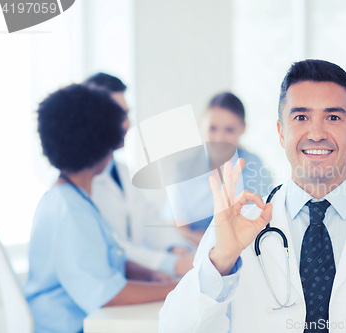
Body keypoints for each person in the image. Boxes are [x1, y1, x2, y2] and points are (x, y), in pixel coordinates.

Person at [158, 60, 346, 332]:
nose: (316, 133)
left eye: (333, 118)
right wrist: (220, 263)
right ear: (280, 132)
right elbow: (176, 328)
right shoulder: (231, 233)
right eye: (301, 117)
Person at [25, 85, 177, 333]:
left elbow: (105, 262)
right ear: (101, 144)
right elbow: (109, 294)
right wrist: (177, 288)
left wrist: (150, 275)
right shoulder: (71, 213)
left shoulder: (70, 200)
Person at [84, 73, 195, 276]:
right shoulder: (81, 184)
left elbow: (152, 221)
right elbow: (112, 249)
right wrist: (172, 263)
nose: (126, 124)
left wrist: (176, 247)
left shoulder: (124, 173)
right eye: (118, 115)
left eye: (126, 114)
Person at [162, 92, 273, 245]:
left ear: (243, 128)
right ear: (201, 124)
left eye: (229, 130)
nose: (219, 138)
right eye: (213, 128)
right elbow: (177, 228)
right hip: (191, 253)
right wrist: (217, 242)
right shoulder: (182, 168)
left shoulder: (254, 166)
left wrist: (197, 236)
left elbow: (258, 224)